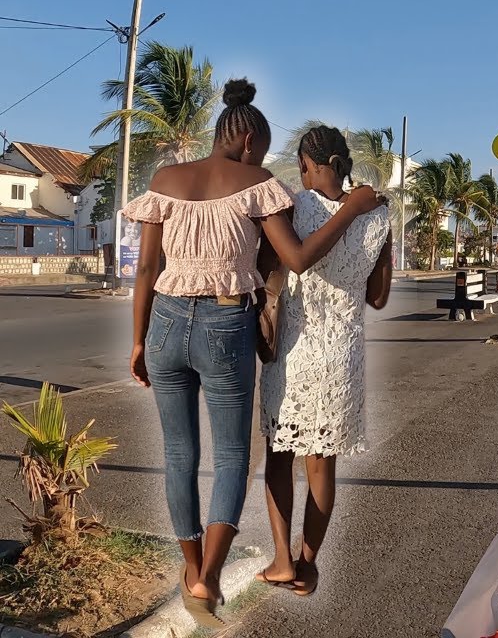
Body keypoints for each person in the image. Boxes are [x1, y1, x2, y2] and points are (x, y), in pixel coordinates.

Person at [124, 79, 384, 627]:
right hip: (224, 322)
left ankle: (192, 564)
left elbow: (146, 269)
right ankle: (211, 577)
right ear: (248, 143)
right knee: (233, 457)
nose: (264, 162)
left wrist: (139, 339)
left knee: (178, 453)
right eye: (263, 152)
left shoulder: (164, 180)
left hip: (167, 320)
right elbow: (297, 257)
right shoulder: (257, 183)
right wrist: (354, 208)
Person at [256, 125, 393, 596]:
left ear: (308, 165)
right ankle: (308, 565)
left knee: (279, 456)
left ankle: (281, 561)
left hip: (295, 352)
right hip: (343, 355)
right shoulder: (380, 218)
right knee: (322, 465)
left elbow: (279, 265)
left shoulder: (297, 206)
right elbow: (378, 296)